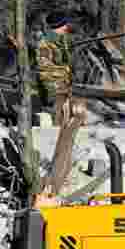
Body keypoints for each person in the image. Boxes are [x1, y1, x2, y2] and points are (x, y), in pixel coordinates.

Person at [34, 11, 87, 194]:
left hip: (62, 90)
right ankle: (54, 182)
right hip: (57, 92)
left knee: (70, 127)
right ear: (63, 25)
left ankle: (59, 177)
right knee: (64, 130)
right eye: (66, 25)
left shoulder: (56, 40)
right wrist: (59, 89)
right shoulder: (47, 42)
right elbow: (46, 71)